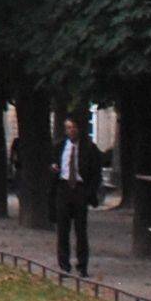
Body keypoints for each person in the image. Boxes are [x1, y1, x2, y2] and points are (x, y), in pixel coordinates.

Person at [52, 111, 104, 275]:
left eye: (73, 127)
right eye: (67, 128)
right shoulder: (60, 146)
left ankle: (82, 265)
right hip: (64, 187)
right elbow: (53, 164)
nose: (70, 131)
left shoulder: (89, 148)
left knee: (81, 230)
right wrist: (54, 170)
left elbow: (96, 173)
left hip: (80, 189)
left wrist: (90, 192)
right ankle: (64, 264)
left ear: (79, 129)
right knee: (63, 229)